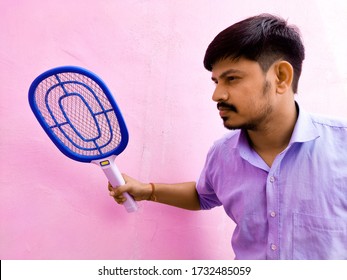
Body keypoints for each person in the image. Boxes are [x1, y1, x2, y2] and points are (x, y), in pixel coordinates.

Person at [108, 14, 347, 260]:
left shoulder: (342, 146)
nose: (217, 95)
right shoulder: (222, 153)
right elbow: (204, 195)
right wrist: (147, 190)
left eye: (232, 79)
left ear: (281, 77)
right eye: (216, 81)